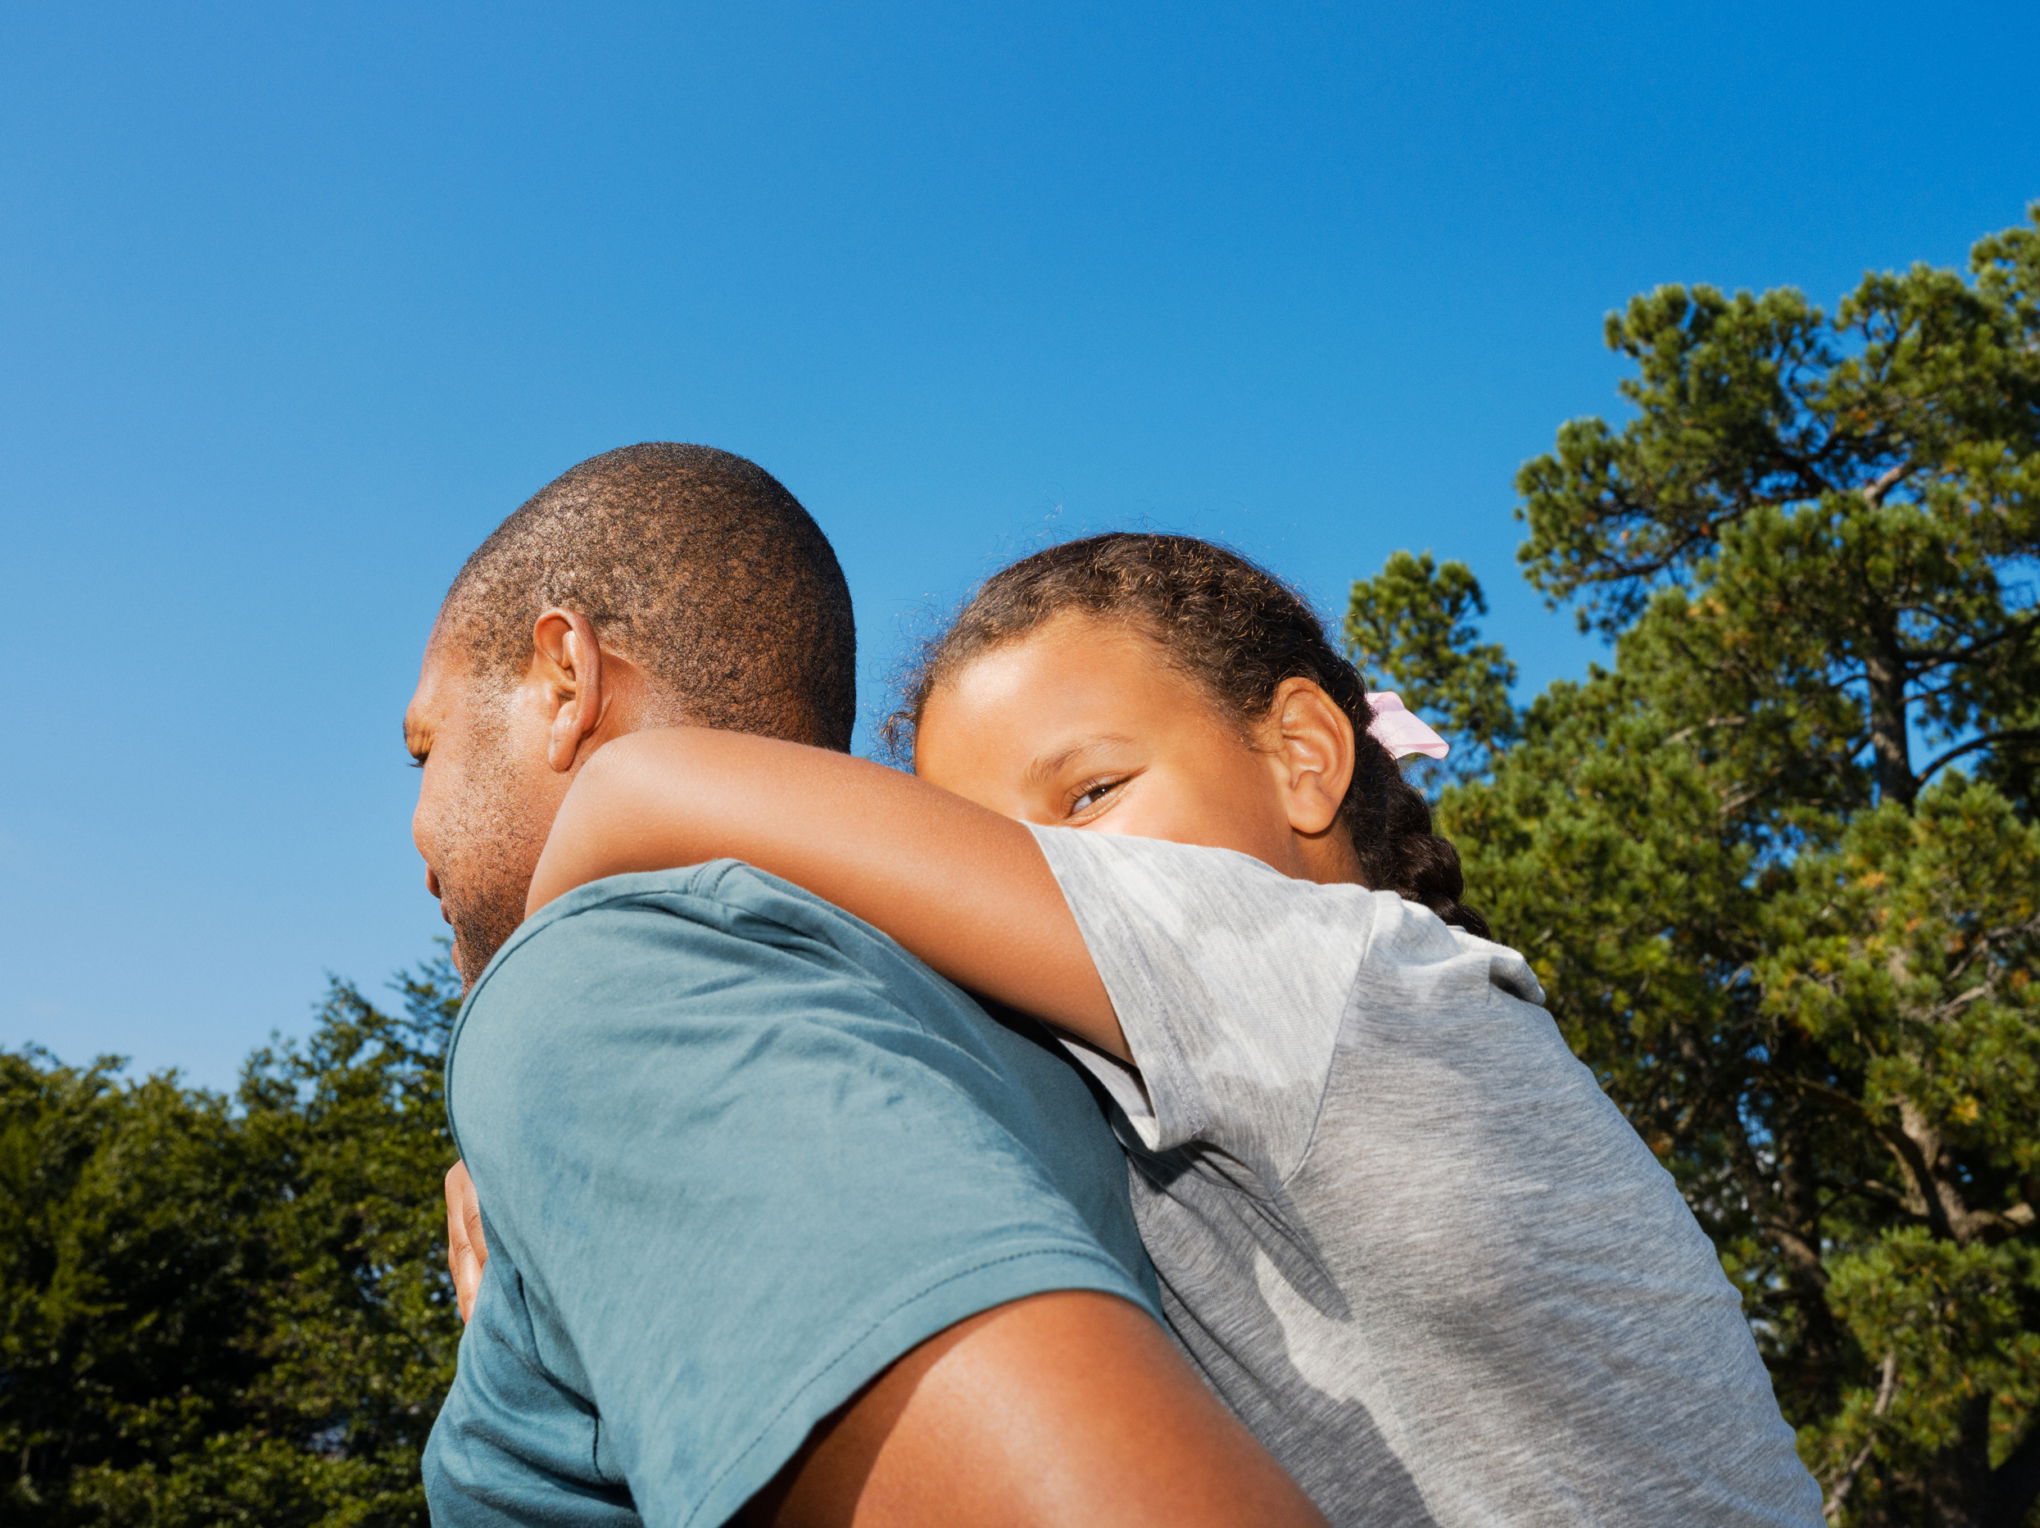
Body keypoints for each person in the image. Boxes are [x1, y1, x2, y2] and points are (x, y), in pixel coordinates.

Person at [506, 532, 1827, 1527]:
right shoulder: (1170, 1099)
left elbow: (639, 783)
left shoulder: (1341, 973)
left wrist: (530, 1049)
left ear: (1304, 759)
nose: (1015, 872)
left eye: (1088, 794)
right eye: (980, 840)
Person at [409, 447, 1324, 1528]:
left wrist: (553, 1020)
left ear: (564, 683)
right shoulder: (1016, 1033)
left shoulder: (616, 987)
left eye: (425, 751)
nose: (417, 832)